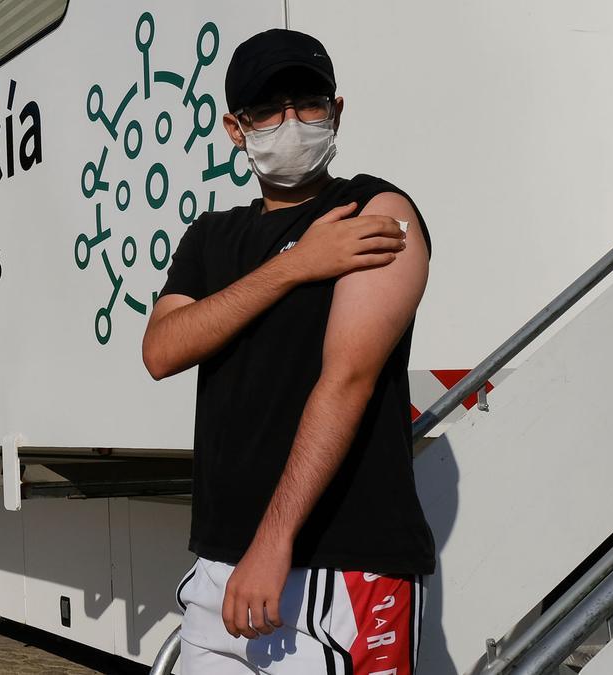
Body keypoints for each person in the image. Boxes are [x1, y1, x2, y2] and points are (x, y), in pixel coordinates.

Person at [142, 29, 435, 674]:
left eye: (308, 103)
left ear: (336, 111)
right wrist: (295, 265)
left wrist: (275, 542)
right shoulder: (212, 236)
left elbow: (348, 381)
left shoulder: (374, 209)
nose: (292, 122)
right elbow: (162, 349)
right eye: (268, 109)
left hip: (339, 571)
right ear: (235, 127)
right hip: (221, 573)